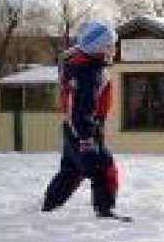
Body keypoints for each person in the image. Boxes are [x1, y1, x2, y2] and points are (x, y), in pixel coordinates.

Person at [42, 21, 126, 220]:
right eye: (109, 46)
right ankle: (104, 210)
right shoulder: (86, 73)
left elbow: (68, 59)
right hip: (83, 131)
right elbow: (78, 110)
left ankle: (49, 206)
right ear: (96, 48)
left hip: (76, 129)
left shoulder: (83, 63)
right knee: (104, 168)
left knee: (71, 171)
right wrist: (87, 138)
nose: (113, 50)